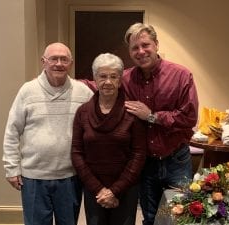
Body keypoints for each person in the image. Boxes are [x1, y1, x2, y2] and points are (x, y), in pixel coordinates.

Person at [81, 23, 199, 225]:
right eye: (135, 48)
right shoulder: (125, 78)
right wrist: (60, 79)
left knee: (180, 218)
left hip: (176, 160)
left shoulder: (181, 75)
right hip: (146, 164)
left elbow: (189, 118)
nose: (141, 51)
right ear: (129, 52)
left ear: (156, 45)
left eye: (145, 45)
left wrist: (152, 116)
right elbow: (95, 84)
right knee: (151, 217)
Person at [2, 42, 93, 225]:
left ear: (71, 63)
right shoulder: (27, 91)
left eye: (64, 59)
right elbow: (12, 131)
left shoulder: (83, 93)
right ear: (44, 61)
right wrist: (11, 167)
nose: (59, 63)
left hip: (70, 177)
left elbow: (94, 130)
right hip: (34, 177)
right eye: (53, 58)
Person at [71, 53, 146, 225]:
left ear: (120, 80)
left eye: (114, 76)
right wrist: (99, 189)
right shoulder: (82, 112)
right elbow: (76, 153)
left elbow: (139, 154)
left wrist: (114, 190)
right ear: (95, 79)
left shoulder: (132, 112)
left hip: (126, 188)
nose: (108, 82)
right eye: (102, 76)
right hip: (94, 189)